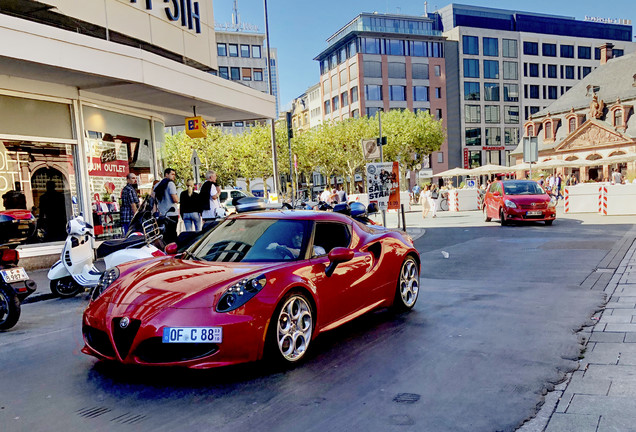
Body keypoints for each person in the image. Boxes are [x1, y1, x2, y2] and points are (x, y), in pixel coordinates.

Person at [153, 168, 179, 243]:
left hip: (162, 213)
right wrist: (177, 198)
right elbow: (175, 199)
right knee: (172, 234)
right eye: (172, 174)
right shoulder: (170, 184)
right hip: (171, 213)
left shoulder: (157, 185)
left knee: (164, 234)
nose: (174, 176)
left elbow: (153, 198)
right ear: (166, 174)